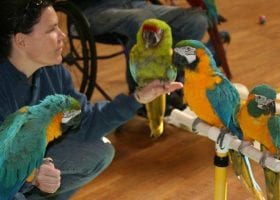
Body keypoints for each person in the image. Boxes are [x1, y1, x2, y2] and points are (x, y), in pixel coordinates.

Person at [0, 0, 183, 199]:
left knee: (98, 151)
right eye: (52, 30)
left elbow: (84, 121)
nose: (62, 36)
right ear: (21, 41)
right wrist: (31, 177)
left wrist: (138, 98)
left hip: (27, 160)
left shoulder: (54, 73)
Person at [69, 0, 209, 111]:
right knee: (144, 22)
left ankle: (165, 81)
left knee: (196, 20)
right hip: (97, 10)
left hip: (139, 5)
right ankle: (142, 92)